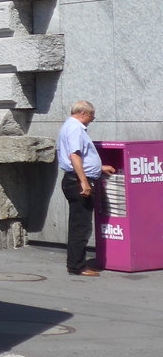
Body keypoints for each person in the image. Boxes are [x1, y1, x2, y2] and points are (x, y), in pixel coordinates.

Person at [57, 100, 115, 275]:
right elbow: (74, 156)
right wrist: (83, 181)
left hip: (75, 178)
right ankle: (77, 266)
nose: (91, 120)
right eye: (92, 116)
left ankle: (76, 263)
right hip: (78, 181)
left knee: (78, 223)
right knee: (80, 226)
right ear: (83, 113)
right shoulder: (75, 128)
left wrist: (99, 168)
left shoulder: (69, 126)